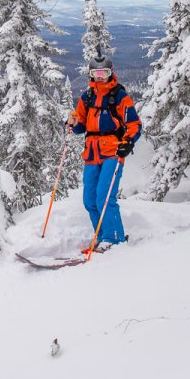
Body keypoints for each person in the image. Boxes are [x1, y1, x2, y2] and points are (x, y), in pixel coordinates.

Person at [67, 55, 141, 249]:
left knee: (105, 197)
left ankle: (113, 238)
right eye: (96, 73)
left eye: (104, 73)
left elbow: (134, 124)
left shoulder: (119, 96)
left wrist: (128, 142)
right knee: (90, 200)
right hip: (92, 153)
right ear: (90, 75)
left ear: (111, 72)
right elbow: (80, 125)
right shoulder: (87, 97)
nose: (99, 77)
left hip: (113, 151)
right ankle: (101, 236)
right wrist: (73, 124)